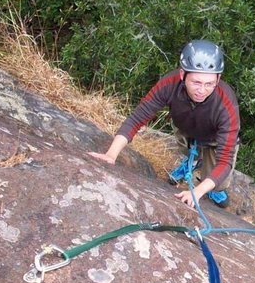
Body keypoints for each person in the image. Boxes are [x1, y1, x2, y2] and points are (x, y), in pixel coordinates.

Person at [89, 39, 240, 209]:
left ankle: (211, 185)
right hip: (186, 126)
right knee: (188, 149)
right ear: (183, 74)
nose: (202, 90)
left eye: (209, 84)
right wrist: (111, 154)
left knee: (217, 182)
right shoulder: (170, 84)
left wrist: (197, 191)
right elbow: (138, 117)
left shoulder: (226, 103)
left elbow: (225, 159)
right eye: (196, 82)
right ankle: (194, 160)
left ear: (218, 78)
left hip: (214, 139)